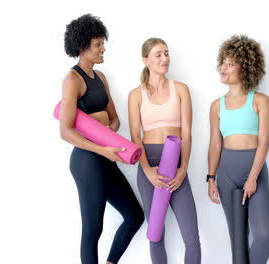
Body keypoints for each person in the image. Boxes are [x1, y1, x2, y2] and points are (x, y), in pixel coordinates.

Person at [59, 14, 144, 264]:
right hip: (87, 161)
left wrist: (103, 124)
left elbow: (114, 119)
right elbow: (65, 131)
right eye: (98, 44)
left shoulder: (101, 78)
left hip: (107, 156)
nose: (103, 48)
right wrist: (100, 145)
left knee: (134, 216)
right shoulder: (72, 80)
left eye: (102, 43)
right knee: (93, 229)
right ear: (83, 46)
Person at [128, 38, 201, 264]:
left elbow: (187, 133)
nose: (165, 59)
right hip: (148, 163)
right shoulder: (135, 95)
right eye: (158, 54)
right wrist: (148, 170)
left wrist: (182, 170)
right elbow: (135, 137)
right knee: (155, 234)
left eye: (166, 53)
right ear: (146, 60)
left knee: (192, 237)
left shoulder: (180, 89)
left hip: (176, 165)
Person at [206, 35, 269, 264]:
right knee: (238, 242)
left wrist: (253, 177)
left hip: (255, 172)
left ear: (244, 68)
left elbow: (264, 142)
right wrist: (211, 178)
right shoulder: (216, 106)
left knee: (264, 234)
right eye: (223, 62)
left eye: (230, 63)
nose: (223, 68)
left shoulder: (260, 101)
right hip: (226, 175)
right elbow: (215, 144)